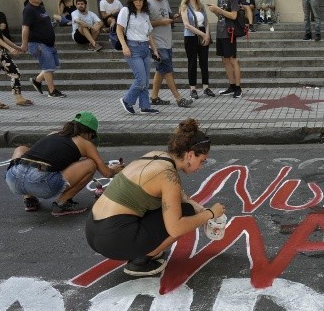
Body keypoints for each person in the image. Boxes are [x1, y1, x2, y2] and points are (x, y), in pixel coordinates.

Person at [86, 118, 226, 277]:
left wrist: (199, 207)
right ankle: (141, 261)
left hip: (93, 229)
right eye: (201, 161)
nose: (201, 167)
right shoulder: (168, 176)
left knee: (182, 207)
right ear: (190, 155)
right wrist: (209, 214)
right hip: (113, 239)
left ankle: (145, 248)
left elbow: (178, 194)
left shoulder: (156, 156)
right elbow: (176, 228)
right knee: (185, 212)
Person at [5, 111, 121, 216]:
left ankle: (29, 199)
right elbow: (106, 173)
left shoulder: (54, 133)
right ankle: (61, 204)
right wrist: (115, 169)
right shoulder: (85, 143)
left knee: (22, 149)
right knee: (91, 164)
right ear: (89, 134)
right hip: (39, 182)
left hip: (13, 179)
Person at [117, 0, 161, 115]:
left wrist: (155, 50)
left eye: (140, 0)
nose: (138, 2)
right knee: (140, 79)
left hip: (145, 48)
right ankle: (127, 100)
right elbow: (119, 30)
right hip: (133, 48)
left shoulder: (145, 14)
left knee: (145, 80)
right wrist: (124, 46)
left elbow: (149, 34)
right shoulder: (126, 11)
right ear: (131, 0)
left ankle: (145, 106)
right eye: (135, 0)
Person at [21, 0, 66, 98]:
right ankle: (52, 91)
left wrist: (53, 40)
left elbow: (46, 25)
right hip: (38, 43)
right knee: (48, 67)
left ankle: (37, 81)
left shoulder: (40, 7)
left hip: (49, 43)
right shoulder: (28, 10)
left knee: (53, 65)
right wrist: (24, 44)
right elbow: (25, 28)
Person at [147, 0, 185, 107]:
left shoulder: (164, 0)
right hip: (157, 43)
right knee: (168, 70)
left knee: (161, 70)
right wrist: (161, 22)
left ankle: (154, 96)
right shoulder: (146, 2)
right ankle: (178, 98)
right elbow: (144, 23)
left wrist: (174, 17)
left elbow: (167, 16)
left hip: (167, 41)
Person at [209, 0, 244, 98]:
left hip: (230, 33)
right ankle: (231, 85)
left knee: (232, 59)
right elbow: (221, 16)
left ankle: (238, 88)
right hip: (220, 32)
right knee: (224, 60)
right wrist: (215, 11)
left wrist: (219, 9)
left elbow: (234, 16)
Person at [180, 0, 213, 102]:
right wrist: (202, 34)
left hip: (203, 34)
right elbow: (187, 25)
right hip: (191, 36)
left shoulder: (201, 6)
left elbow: (206, 22)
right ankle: (193, 89)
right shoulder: (184, 6)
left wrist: (207, 34)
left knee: (204, 61)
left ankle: (206, 87)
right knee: (192, 62)